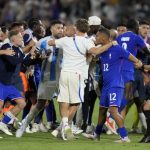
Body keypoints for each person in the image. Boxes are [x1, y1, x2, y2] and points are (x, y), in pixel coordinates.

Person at [48, 18, 117, 140]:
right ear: (88, 29)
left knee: (64, 100)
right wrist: (110, 44)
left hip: (64, 73)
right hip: (78, 75)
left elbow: (50, 42)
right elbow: (95, 51)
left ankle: (64, 125)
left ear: (76, 28)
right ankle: (66, 127)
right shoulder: (87, 42)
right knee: (75, 102)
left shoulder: (66, 40)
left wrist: (65, 35)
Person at [88, 28, 142, 143]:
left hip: (116, 84)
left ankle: (124, 137)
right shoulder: (101, 50)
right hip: (107, 86)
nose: (96, 38)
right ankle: (96, 135)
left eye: (97, 36)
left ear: (103, 37)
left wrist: (138, 62)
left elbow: (130, 56)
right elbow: (94, 54)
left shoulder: (117, 49)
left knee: (113, 111)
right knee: (102, 109)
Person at [16, 20, 64, 137]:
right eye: (58, 28)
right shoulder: (42, 42)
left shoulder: (66, 41)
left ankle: (63, 129)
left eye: (62, 28)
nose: (60, 30)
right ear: (51, 29)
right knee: (41, 103)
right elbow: (29, 60)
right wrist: (37, 58)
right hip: (47, 77)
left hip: (63, 77)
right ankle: (25, 124)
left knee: (65, 103)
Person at [116, 19, 150, 118]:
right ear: (137, 28)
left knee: (128, 97)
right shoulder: (136, 38)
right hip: (131, 69)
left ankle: (114, 122)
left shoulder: (120, 37)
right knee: (130, 96)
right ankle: (111, 118)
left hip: (119, 69)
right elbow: (147, 52)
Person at [0, 30, 26, 135]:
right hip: (1, 81)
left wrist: (37, 57)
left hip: (9, 83)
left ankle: (3, 123)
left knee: (22, 103)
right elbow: (12, 61)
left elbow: (24, 62)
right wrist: (22, 58)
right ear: (13, 39)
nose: (22, 39)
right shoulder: (7, 46)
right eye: (20, 37)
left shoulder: (18, 50)